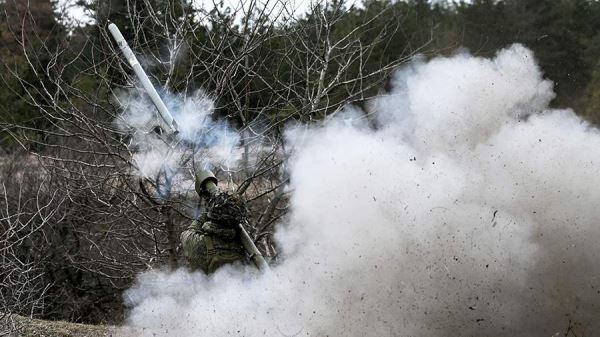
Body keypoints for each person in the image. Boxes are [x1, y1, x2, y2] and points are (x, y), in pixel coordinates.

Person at [180, 170, 249, 274]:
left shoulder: (198, 243)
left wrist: (207, 211)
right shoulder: (242, 244)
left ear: (212, 216)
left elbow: (186, 234)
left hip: (206, 290)